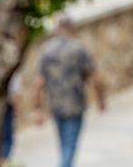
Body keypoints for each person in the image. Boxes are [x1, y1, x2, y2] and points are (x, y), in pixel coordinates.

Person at [33, 14, 106, 167]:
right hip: (75, 104)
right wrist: (101, 100)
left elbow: (39, 83)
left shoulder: (46, 50)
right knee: (70, 146)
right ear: (72, 28)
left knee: (64, 144)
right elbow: (95, 78)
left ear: (57, 29)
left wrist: (38, 109)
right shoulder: (79, 49)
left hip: (56, 105)